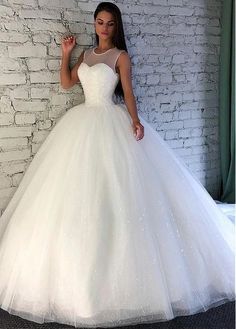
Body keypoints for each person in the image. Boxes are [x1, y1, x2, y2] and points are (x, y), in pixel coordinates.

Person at [0, 1, 234, 328]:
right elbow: (68, 83)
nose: (104, 28)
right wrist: (66, 53)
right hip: (81, 123)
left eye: (110, 23)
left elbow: (128, 92)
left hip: (110, 120)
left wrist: (136, 122)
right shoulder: (86, 55)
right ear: (94, 24)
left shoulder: (120, 57)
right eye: (99, 22)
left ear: (116, 26)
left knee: (117, 191)